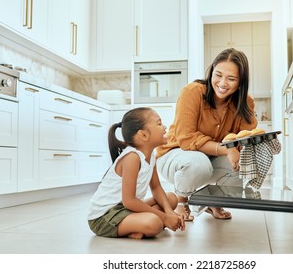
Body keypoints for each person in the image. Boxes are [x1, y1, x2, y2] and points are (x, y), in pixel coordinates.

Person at [156, 48, 258, 221]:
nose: (222, 83)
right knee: (198, 163)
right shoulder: (193, 92)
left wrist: (248, 145)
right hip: (176, 156)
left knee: (246, 163)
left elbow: (247, 138)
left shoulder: (245, 102)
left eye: (231, 79)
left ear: (240, 82)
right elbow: (186, 139)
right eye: (218, 75)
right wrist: (227, 149)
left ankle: (213, 201)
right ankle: (181, 201)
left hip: (210, 158)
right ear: (211, 72)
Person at [88, 107, 185, 239]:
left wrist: (169, 212)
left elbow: (156, 187)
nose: (165, 127)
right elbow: (129, 201)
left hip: (125, 209)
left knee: (171, 199)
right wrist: (164, 217)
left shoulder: (151, 155)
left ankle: (135, 227)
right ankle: (136, 227)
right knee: (154, 223)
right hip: (105, 216)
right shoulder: (132, 158)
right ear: (143, 135)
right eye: (159, 123)